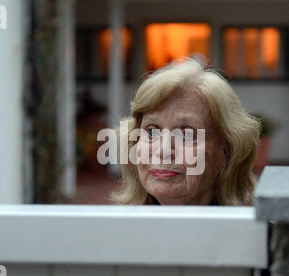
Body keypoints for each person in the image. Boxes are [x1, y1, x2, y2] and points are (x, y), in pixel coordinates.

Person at [111, 58, 260, 205]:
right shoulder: (116, 227)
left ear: (227, 152)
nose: (164, 151)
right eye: (151, 133)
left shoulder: (255, 228)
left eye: (187, 135)